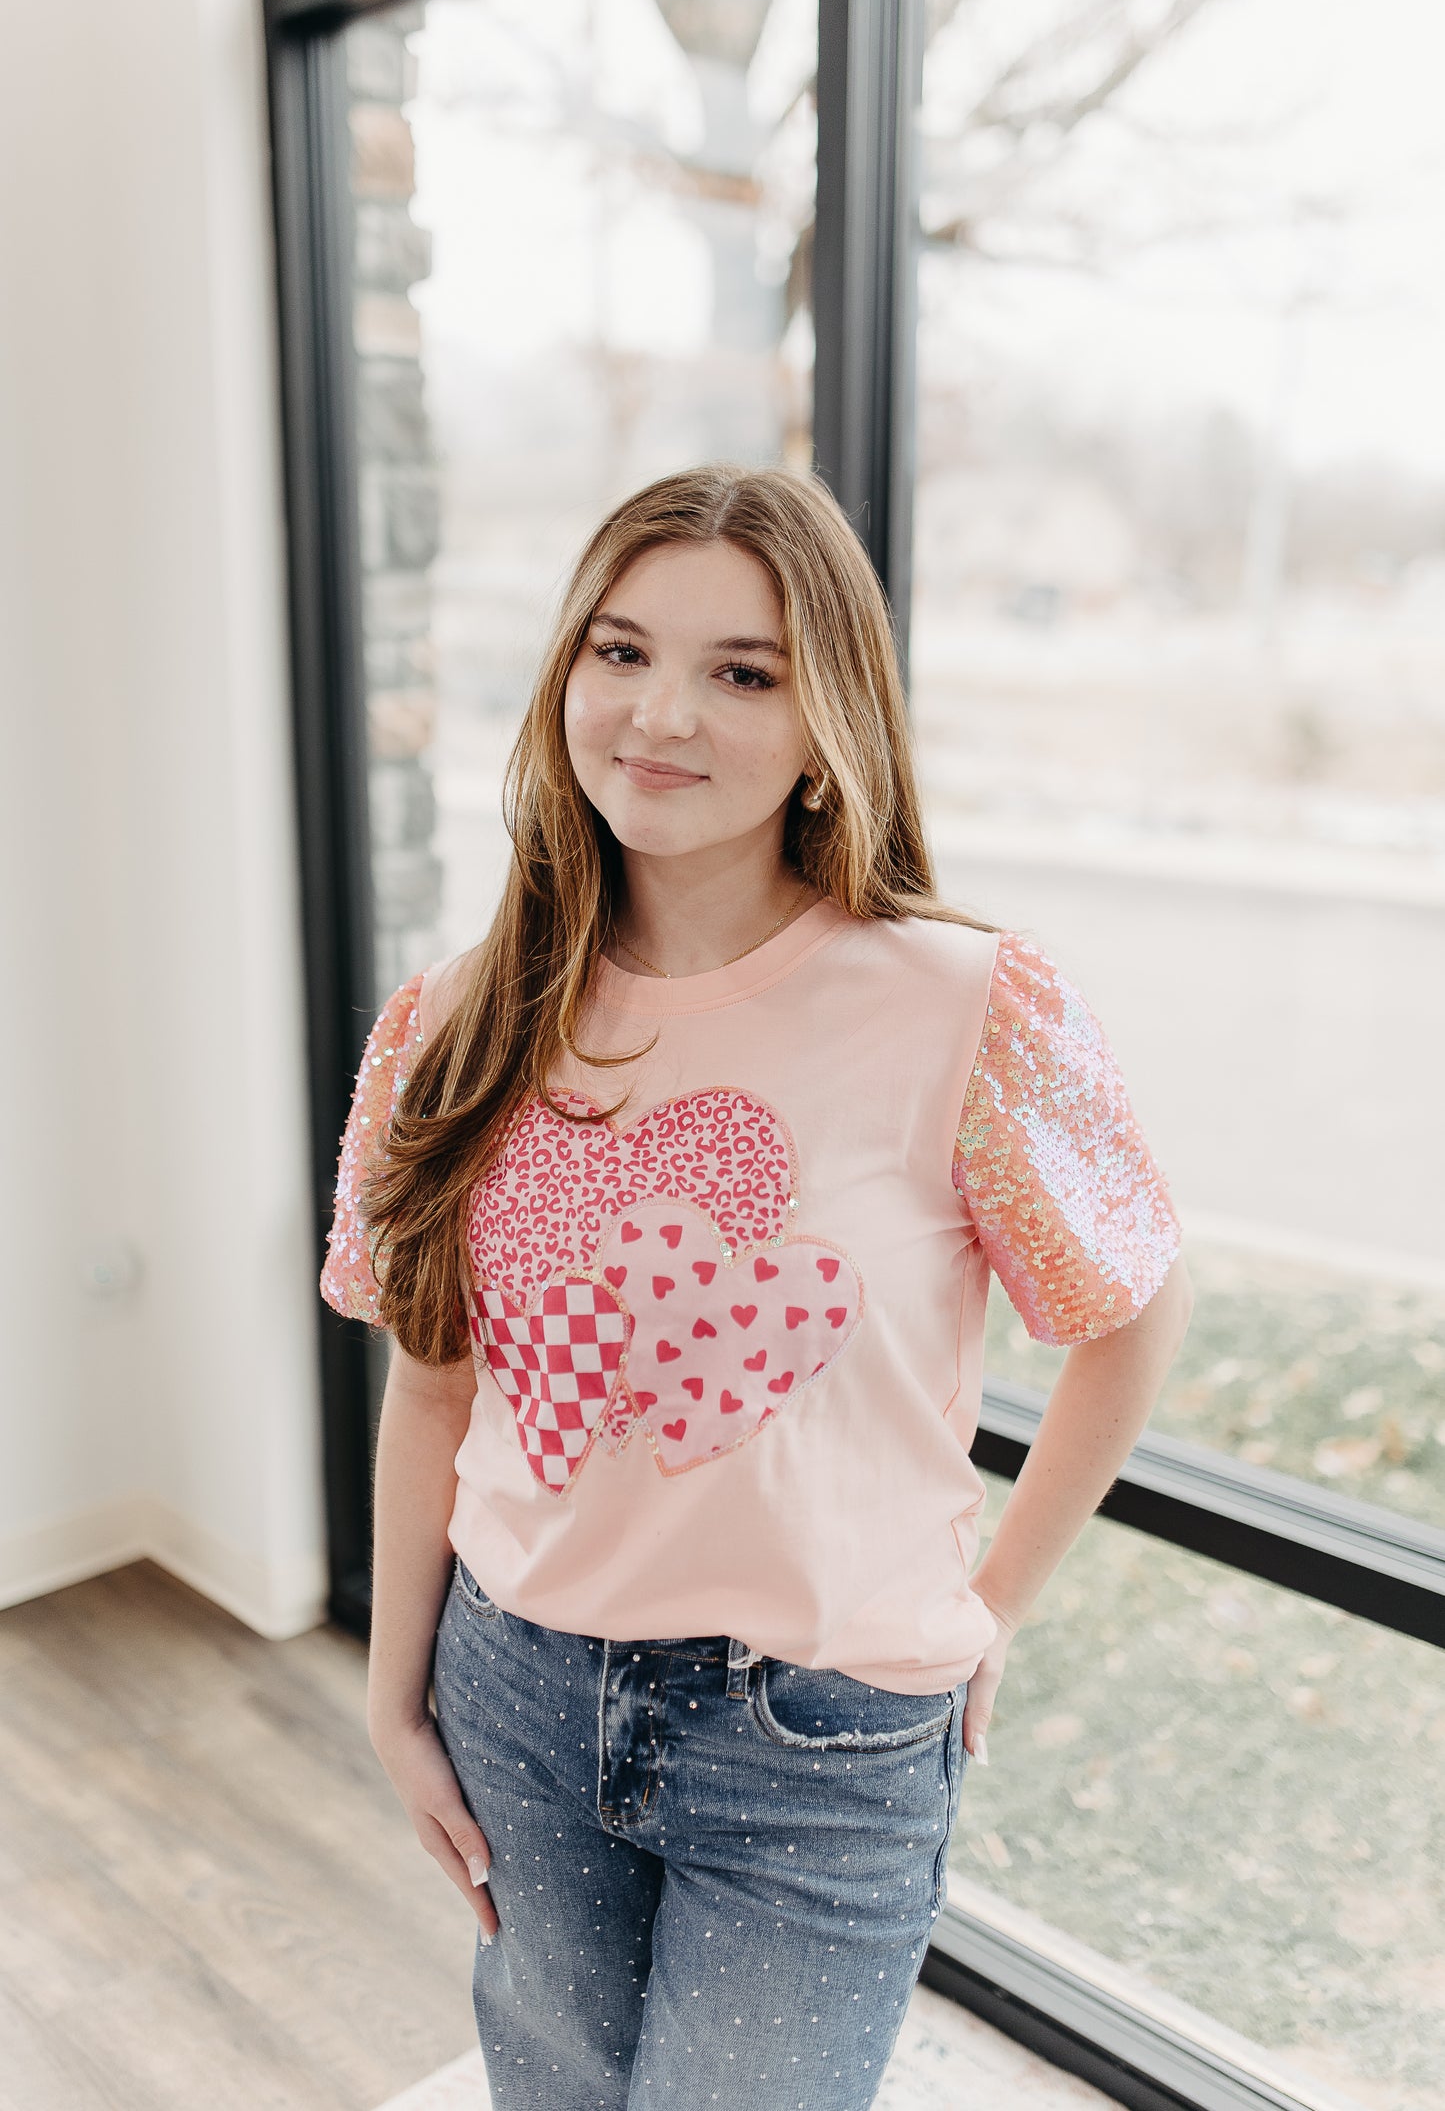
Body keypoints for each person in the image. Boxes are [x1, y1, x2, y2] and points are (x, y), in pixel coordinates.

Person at [321, 461, 1192, 2111]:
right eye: (620, 650)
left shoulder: (964, 1008)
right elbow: (434, 1381)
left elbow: (1131, 1315)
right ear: (566, 669)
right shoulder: (451, 1018)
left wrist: (986, 1604)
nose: (660, 714)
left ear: (825, 722)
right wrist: (396, 1698)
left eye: (743, 671)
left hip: (819, 1735)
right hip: (514, 1686)